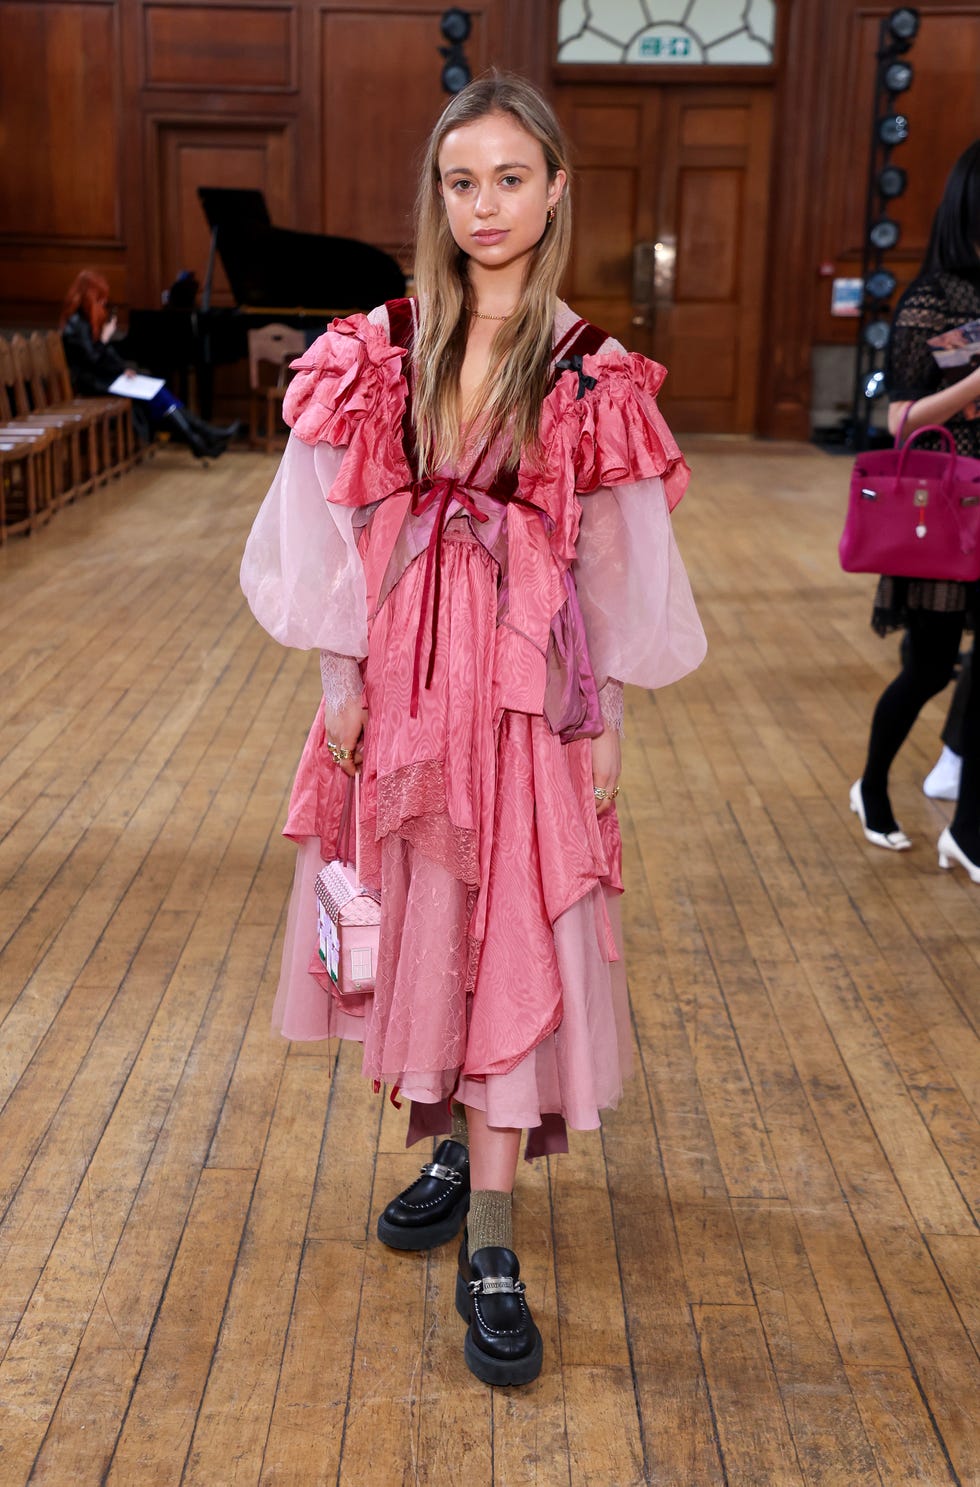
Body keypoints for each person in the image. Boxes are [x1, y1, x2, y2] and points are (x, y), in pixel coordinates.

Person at [240, 73, 706, 1386]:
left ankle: (492, 1238)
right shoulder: (377, 346)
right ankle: (456, 1141)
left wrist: (604, 709)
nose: (485, 205)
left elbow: (618, 562)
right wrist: (339, 679)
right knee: (426, 930)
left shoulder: (589, 371)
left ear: (556, 189)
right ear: (436, 198)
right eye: (461, 181)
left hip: (527, 703)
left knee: (515, 939)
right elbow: (327, 530)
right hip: (404, 697)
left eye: (510, 178)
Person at [851, 139, 980, 883]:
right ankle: (871, 785)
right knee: (929, 666)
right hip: (945, 507)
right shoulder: (934, 298)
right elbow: (900, 419)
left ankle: (964, 823)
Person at [60, 270, 238, 460]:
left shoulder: (83, 322)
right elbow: (94, 360)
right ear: (90, 296)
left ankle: (200, 438)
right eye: (100, 298)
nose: (103, 303)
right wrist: (105, 340)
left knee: (157, 390)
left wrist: (122, 369)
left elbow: (99, 359)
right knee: (155, 393)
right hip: (94, 386)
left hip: (105, 380)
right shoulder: (76, 325)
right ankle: (202, 436)